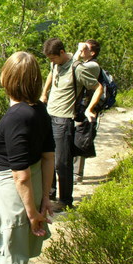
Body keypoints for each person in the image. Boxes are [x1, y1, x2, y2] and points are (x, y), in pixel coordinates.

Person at [0, 51, 55, 264]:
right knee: (12, 257)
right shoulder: (39, 109)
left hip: (12, 196)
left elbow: (21, 176)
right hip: (30, 191)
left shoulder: (17, 116)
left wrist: (32, 214)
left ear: (8, 78)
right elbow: (48, 158)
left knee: (8, 261)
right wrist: (45, 198)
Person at [40, 38, 100, 211]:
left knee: (62, 162)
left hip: (64, 120)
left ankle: (66, 201)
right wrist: (44, 93)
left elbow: (98, 88)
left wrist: (90, 108)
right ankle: (50, 194)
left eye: (53, 58)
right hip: (49, 115)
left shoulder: (77, 68)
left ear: (61, 53)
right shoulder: (56, 63)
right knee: (47, 158)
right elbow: (52, 73)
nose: (51, 62)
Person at [71, 40, 104, 184]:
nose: (82, 50)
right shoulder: (87, 64)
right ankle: (73, 172)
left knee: (80, 139)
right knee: (75, 137)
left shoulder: (92, 66)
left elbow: (71, 68)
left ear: (93, 53)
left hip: (84, 108)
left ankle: (76, 174)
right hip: (79, 107)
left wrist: (77, 52)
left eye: (86, 49)